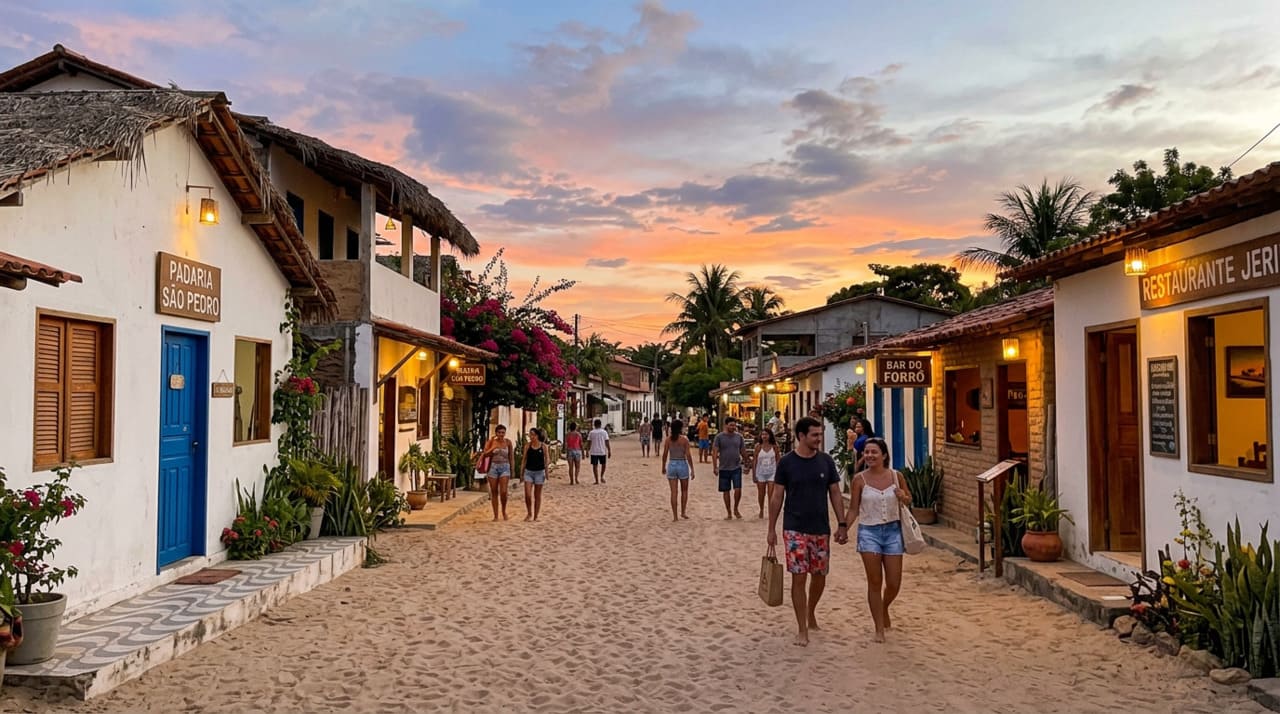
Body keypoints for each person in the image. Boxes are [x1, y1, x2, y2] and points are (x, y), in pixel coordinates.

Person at [767, 417, 849, 647]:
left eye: (820, 434)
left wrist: (842, 523)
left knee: (820, 576)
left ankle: (810, 610)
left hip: (820, 528)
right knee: (799, 577)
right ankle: (802, 627)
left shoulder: (825, 461)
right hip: (794, 528)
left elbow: (834, 492)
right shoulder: (786, 463)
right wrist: (771, 528)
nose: (818, 439)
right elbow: (776, 496)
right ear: (801, 436)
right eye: (814, 435)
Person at [848, 437, 911, 643]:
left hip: (893, 531)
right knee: (875, 581)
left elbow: (908, 498)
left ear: (884, 455)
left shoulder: (896, 476)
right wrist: (843, 528)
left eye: (874, 452)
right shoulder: (859, 480)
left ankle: (884, 606)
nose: (870, 456)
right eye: (866, 452)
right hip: (869, 532)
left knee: (894, 582)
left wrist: (903, 496)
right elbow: (854, 509)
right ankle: (878, 628)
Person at [661, 418, 695, 521]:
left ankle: (675, 516)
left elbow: (665, 454)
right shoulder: (684, 440)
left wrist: (663, 466)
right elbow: (688, 455)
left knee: (673, 492)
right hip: (682, 464)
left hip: (672, 464)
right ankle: (683, 512)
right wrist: (692, 468)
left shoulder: (668, 440)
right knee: (684, 490)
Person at [712, 417, 746, 520]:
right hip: (724, 468)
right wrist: (715, 467)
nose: (733, 427)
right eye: (731, 425)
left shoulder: (739, 437)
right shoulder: (719, 437)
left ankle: (736, 508)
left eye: (734, 425)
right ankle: (729, 512)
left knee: (738, 489)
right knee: (726, 491)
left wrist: (748, 462)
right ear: (726, 425)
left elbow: (743, 451)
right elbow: (714, 452)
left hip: (736, 467)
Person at [480, 425, 514, 521]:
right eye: (499, 432)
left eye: (503, 432)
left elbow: (511, 456)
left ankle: (504, 510)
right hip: (493, 467)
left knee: (503, 491)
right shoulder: (491, 442)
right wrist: (493, 448)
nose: (501, 434)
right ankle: (496, 515)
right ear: (496, 433)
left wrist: (512, 469)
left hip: (505, 467)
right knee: (494, 491)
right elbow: (485, 454)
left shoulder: (508, 442)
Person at [749, 428, 779, 519]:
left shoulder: (774, 446)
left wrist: (778, 472)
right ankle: (761, 509)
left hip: (772, 472)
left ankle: (771, 510)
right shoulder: (758, 447)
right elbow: (754, 461)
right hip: (760, 472)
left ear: (770, 435)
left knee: (771, 493)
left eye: (766, 434)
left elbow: (778, 459)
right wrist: (754, 474)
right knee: (761, 493)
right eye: (763, 434)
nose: (764, 436)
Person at [520, 427, 548, 522]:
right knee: (527, 494)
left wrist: (547, 472)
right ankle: (529, 513)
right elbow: (524, 460)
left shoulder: (543, 446)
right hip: (529, 472)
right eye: (530, 435)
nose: (531, 437)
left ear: (537, 435)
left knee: (537, 495)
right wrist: (521, 473)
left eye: (533, 435)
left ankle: (536, 516)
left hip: (539, 473)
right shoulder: (527, 446)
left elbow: (547, 460)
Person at [587, 419, 611, 484]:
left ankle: (596, 480)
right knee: (603, 465)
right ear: (600, 425)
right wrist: (609, 450)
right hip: (602, 451)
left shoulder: (591, 432)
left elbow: (589, 443)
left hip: (593, 451)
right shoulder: (604, 432)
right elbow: (607, 442)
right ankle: (602, 476)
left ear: (594, 425)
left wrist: (587, 451)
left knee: (595, 466)